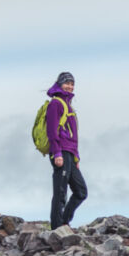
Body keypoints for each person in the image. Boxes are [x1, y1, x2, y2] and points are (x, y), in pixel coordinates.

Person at [45, 71, 87, 229]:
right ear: (60, 84)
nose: (70, 86)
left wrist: (76, 158)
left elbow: (73, 136)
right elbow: (52, 130)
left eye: (72, 84)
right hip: (60, 152)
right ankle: (57, 229)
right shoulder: (56, 103)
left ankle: (64, 221)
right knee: (60, 192)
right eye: (67, 83)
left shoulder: (68, 105)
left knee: (81, 191)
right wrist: (57, 153)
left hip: (70, 153)